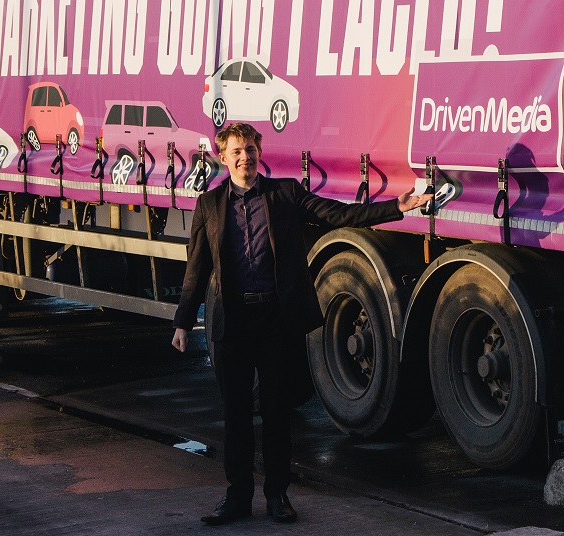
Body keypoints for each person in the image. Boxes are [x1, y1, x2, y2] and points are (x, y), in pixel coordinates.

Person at [172, 121, 431, 525]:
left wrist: (397, 207)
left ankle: (278, 496)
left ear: (260, 152)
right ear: (222, 157)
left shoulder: (285, 194)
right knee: (236, 417)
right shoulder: (209, 205)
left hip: (275, 322)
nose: (245, 157)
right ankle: (237, 498)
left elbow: (339, 214)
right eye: (237, 151)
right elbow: (197, 268)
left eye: (251, 149)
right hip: (232, 324)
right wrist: (183, 322)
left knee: (276, 414)